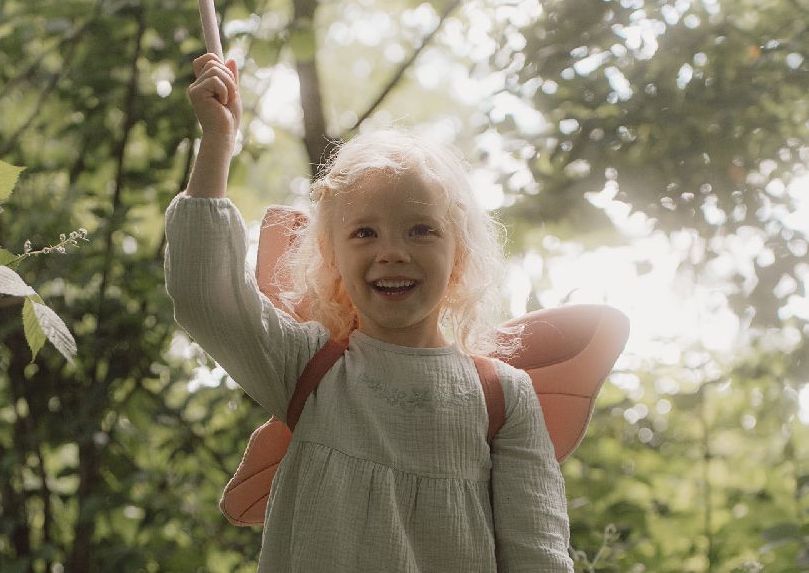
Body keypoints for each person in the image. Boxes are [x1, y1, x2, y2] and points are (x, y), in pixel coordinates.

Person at [164, 52, 574, 572]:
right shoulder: (308, 368)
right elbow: (205, 294)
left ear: (459, 255)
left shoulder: (501, 396)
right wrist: (218, 142)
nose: (392, 252)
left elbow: (539, 556)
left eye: (421, 230)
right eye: (364, 233)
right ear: (332, 258)